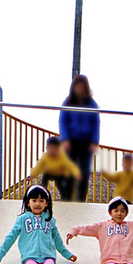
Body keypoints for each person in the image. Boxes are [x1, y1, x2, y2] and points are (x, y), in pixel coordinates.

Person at [0, 185, 77, 264]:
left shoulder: (50, 220)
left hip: (48, 255)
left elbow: (57, 239)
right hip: (30, 256)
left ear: (46, 203)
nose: (37, 204)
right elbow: (10, 237)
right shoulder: (22, 219)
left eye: (41, 201)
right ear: (27, 202)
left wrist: (67, 254)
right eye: (34, 200)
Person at [59, 74, 100, 202]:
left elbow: (96, 123)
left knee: (83, 173)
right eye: (77, 87)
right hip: (71, 141)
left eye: (82, 87)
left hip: (86, 143)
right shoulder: (68, 102)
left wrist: (94, 141)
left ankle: (81, 201)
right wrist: (65, 139)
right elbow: (63, 121)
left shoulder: (92, 104)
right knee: (69, 172)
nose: (80, 90)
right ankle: (66, 200)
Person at [30, 136, 82, 201]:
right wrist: (33, 175)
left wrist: (77, 174)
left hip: (61, 174)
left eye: (55, 149)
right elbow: (39, 166)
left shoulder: (62, 156)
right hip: (50, 172)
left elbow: (70, 165)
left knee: (62, 186)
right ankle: (42, 192)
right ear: (47, 148)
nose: (53, 151)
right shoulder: (45, 156)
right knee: (45, 176)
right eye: (51, 149)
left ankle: (65, 198)